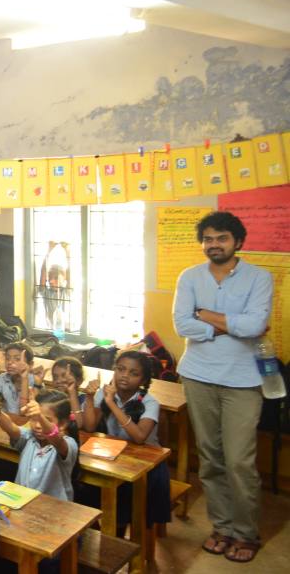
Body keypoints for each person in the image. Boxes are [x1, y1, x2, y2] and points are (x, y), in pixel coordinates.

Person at [172, 211, 272, 565]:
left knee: (240, 461)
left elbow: (256, 325)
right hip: (197, 375)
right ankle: (222, 527)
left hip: (243, 381)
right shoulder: (190, 276)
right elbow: (182, 324)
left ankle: (245, 533)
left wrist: (204, 314)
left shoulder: (259, 277)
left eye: (222, 238)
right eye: (208, 239)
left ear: (238, 242)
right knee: (211, 458)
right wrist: (230, 325)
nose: (214, 244)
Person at [81, 350, 171, 533]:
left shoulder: (149, 402)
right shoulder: (103, 393)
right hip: (113, 458)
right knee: (81, 483)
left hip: (146, 466)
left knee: (123, 496)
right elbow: (89, 427)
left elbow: (139, 437)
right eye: (120, 369)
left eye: (133, 373)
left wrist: (111, 404)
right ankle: (97, 528)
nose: (125, 375)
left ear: (143, 380)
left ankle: (118, 533)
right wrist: (90, 397)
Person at [0, 389, 78, 501]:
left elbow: (55, 437)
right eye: (33, 419)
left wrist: (39, 416)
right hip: (21, 502)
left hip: (53, 508)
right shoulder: (29, 437)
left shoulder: (68, 444)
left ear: (62, 424)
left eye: (46, 420)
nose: (38, 425)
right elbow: (11, 428)